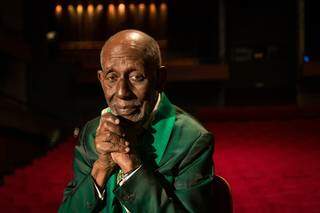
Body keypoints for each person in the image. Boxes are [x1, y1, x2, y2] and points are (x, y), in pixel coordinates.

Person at [59, 29, 214, 212]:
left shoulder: (192, 139)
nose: (122, 92)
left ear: (160, 79)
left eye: (136, 77)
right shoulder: (92, 131)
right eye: (112, 77)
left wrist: (131, 166)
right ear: (101, 80)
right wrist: (101, 167)